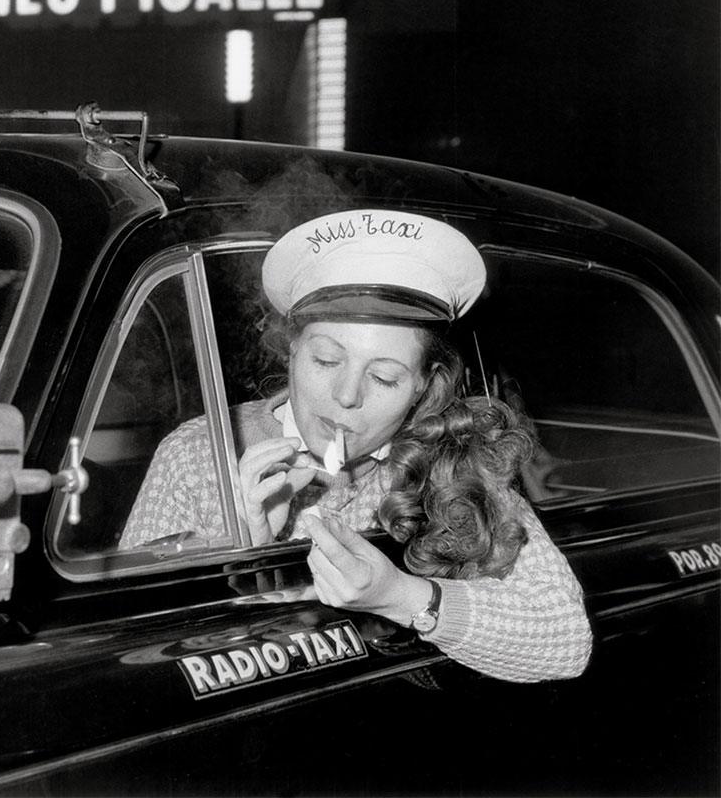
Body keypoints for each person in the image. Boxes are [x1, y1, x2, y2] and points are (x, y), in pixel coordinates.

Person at [120, 209, 592, 683]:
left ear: (422, 389)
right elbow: (124, 654)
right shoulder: (198, 452)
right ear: (292, 351)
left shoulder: (453, 460)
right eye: (326, 359)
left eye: (384, 377)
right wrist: (235, 554)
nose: (346, 396)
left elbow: (564, 642)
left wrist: (402, 596)